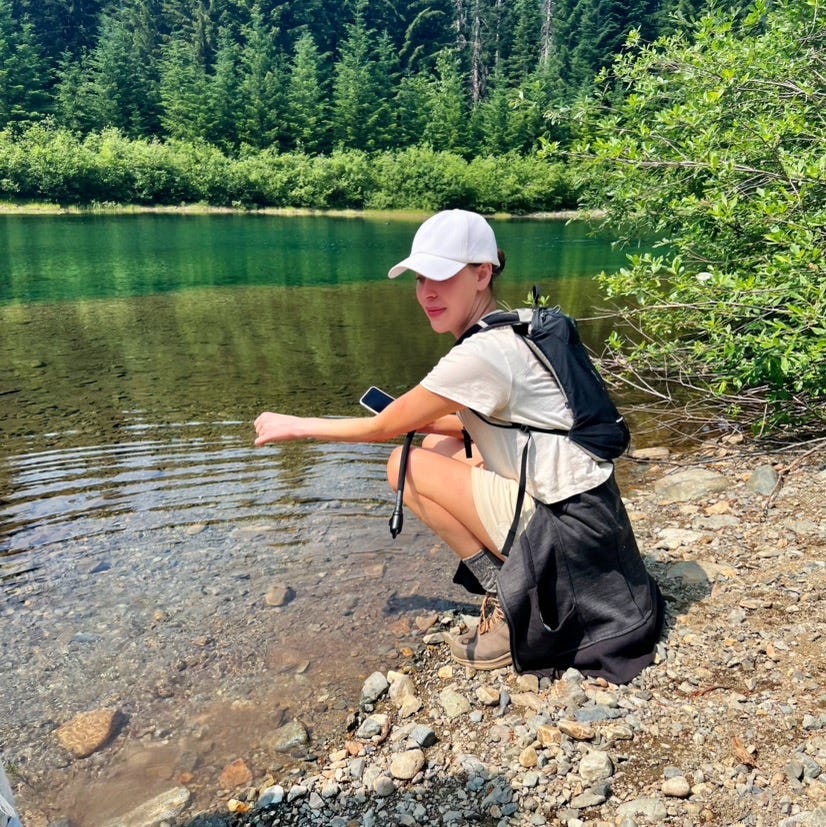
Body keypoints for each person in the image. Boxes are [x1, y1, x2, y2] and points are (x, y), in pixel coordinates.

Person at [254, 209, 663, 682]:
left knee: (403, 464)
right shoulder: (517, 327)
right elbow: (505, 423)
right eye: (420, 277)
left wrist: (298, 425)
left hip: (568, 534)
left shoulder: (480, 353)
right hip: (593, 518)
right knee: (435, 441)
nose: (427, 292)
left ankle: (512, 597)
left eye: (442, 277)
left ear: (482, 273)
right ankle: (515, 580)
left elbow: (382, 428)